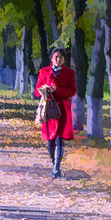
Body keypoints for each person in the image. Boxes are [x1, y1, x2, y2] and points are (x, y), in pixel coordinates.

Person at [34, 46, 77, 178]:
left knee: (60, 138)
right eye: (56, 57)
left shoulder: (69, 73)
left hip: (63, 109)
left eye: (61, 57)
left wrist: (57, 91)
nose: (58, 60)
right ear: (51, 58)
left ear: (64, 59)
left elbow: (72, 91)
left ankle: (57, 167)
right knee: (50, 139)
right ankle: (54, 163)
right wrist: (45, 90)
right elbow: (36, 92)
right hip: (48, 110)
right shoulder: (44, 72)